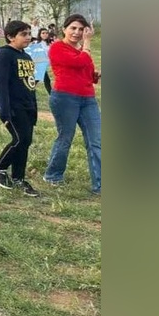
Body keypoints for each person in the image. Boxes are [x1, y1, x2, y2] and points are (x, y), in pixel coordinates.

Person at [43, 14, 101, 194]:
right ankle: (53, 174)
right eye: (73, 28)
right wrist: (88, 44)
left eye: (81, 29)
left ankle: (100, 184)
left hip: (87, 98)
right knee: (65, 137)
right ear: (64, 29)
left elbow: (88, 72)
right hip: (65, 97)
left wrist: (95, 76)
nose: (77, 32)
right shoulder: (57, 47)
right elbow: (78, 63)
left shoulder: (83, 51)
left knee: (96, 140)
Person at [0, 20, 41, 197]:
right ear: (10, 37)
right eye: (23, 34)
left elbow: (30, 83)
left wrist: (33, 107)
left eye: (29, 33)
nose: (28, 37)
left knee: (26, 142)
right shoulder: (4, 55)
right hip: (11, 105)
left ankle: (19, 177)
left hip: (26, 106)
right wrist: (4, 109)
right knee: (20, 139)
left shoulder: (26, 56)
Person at [35, 28, 55, 93]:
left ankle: (27, 89)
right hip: (39, 63)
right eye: (43, 33)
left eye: (46, 33)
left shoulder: (50, 43)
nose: (45, 34)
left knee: (40, 79)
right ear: (40, 34)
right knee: (46, 80)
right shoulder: (36, 43)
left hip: (46, 63)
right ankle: (51, 94)